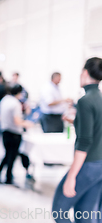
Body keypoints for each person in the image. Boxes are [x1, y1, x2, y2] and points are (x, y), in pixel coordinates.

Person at [52, 57, 102, 223]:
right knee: (85, 214)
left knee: (59, 211)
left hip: (88, 164)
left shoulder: (85, 101)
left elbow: (85, 141)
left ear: (85, 73)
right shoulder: (99, 99)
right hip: (99, 165)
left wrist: (72, 176)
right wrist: (76, 121)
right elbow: (96, 128)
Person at [0, 84, 33, 185]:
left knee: (7, 155)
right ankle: (8, 177)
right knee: (11, 156)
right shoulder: (16, 103)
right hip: (14, 132)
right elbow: (17, 121)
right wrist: (27, 124)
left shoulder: (4, 100)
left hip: (5, 130)